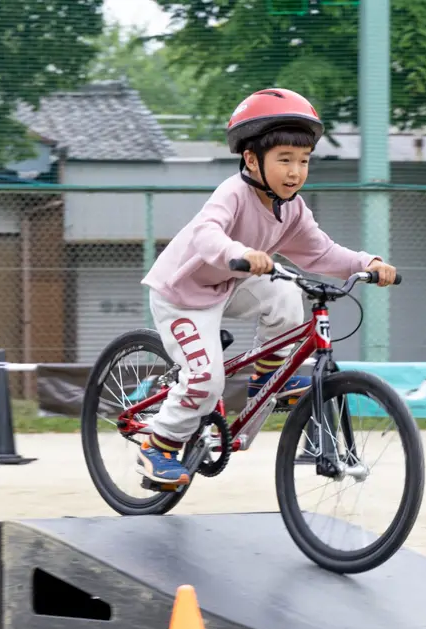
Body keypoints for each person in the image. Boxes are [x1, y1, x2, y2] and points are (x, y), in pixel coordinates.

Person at [136, 88, 397, 487]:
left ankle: (267, 377)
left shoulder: (291, 208)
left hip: (230, 283)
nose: (295, 171)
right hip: (184, 295)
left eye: (304, 161)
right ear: (252, 160)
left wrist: (367, 264)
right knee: (206, 380)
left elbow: (321, 253)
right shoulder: (234, 193)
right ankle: (159, 444)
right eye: (285, 160)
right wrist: (238, 253)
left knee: (289, 297)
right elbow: (206, 236)